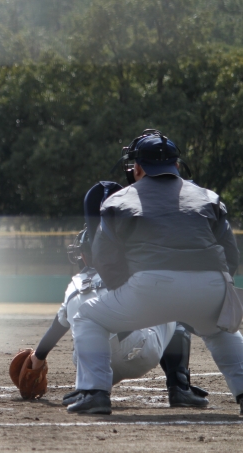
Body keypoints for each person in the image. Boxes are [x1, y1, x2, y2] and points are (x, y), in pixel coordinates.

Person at [67, 130, 243, 415]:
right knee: (223, 331)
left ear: (137, 168)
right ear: (177, 165)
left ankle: (96, 393)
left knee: (87, 316)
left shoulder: (118, 200)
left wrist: (126, 288)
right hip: (211, 284)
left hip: (150, 286)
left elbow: (104, 257)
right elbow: (230, 253)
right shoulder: (209, 197)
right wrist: (218, 287)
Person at [31, 182, 208, 408]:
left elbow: (56, 330)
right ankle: (179, 387)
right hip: (140, 352)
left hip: (96, 362)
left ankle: (88, 389)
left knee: (83, 332)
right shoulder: (130, 270)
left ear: (83, 256)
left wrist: (37, 358)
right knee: (172, 308)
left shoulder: (73, 284)